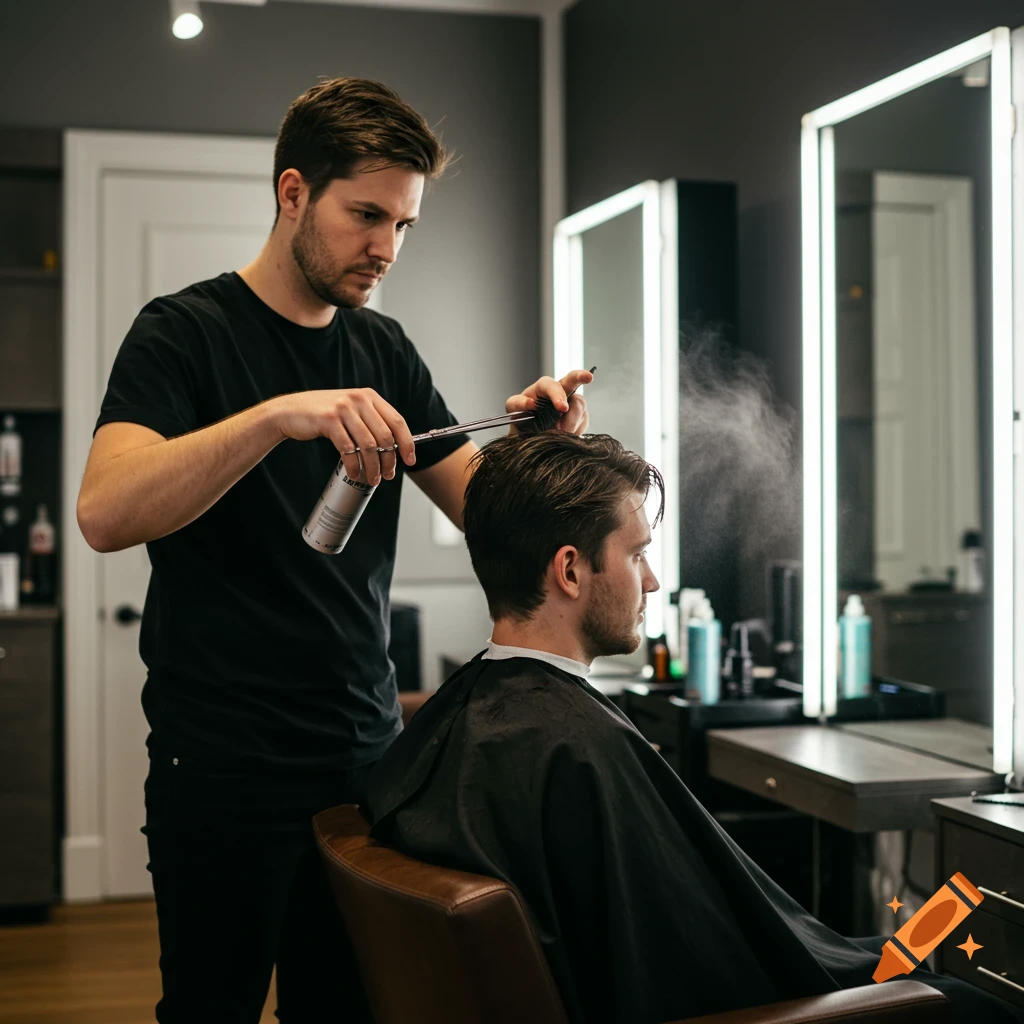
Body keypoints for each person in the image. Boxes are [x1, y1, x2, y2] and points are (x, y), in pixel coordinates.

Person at [76, 77, 592, 1024]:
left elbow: (489, 513)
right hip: (219, 767)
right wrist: (277, 418)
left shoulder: (385, 350)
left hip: (363, 762)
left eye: (404, 225)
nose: (385, 250)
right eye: (366, 216)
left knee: (354, 1009)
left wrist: (538, 448)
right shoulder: (182, 335)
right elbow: (106, 512)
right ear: (292, 193)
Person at [365, 431, 1023, 1024]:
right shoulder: (577, 745)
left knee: (926, 933)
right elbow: (712, 972)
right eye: (637, 555)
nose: (651, 581)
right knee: (969, 995)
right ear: (569, 570)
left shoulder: (466, 711)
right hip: (776, 1003)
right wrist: (894, 962)